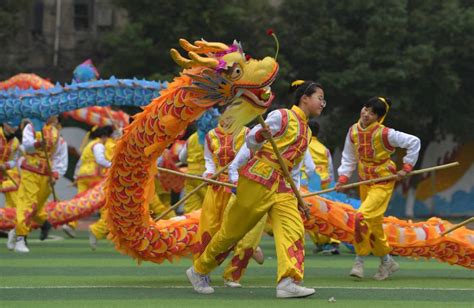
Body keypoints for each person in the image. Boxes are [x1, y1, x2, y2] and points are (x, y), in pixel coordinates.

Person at [188, 80, 326, 298]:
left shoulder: (307, 132)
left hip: (283, 186)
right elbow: (251, 140)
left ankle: (288, 281)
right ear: (305, 98)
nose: (322, 104)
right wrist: (255, 141)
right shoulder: (281, 116)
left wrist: (298, 195)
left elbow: (296, 168)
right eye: (320, 98)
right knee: (232, 233)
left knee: (294, 229)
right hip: (258, 178)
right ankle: (199, 270)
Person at [335, 97, 420, 281]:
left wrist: (406, 167)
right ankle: (386, 260)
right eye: (365, 108)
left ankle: (359, 260)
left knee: (361, 216)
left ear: (379, 117)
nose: (366, 114)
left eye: (372, 113)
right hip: (364, 181)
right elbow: (348, 156)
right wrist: (343, 177)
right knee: (373, 223)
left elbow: (414, 142)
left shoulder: (386, 134)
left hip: (383, 181)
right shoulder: (353, 131)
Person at [193, 124, 265, 288]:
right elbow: (209, 160)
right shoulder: (210, 135)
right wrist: (208, 173)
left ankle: (232, 276)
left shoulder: (248, 133)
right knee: (209, 229)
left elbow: (253, 158)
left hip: (239, 188)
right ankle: (202, 271)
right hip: (216, 188)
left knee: (239, 234)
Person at [12, 116, 68, 253]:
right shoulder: (31, 127)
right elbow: (27, 145)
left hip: (46, 176)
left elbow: (60, 156)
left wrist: (56, 174)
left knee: (37, 207)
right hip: (30, 172)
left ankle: (42, 224)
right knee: (27, 203)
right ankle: (21, 237)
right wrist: (38, 143)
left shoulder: (57, 134)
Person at [302, 120, 340, 255]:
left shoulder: (302, 145)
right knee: (327, 212)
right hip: (324, 184)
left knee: (311, 214)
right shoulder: (324, 149)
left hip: (307, 184)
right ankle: (333, 242)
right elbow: (330, 169)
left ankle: (324, 243)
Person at [178, 108, 220, 213]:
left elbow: (182, 158)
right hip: (207, 178)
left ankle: (190, 228)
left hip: (191, 176)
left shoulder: (191, 138)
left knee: (191, 208)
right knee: (212, 209)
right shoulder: (216, 138)